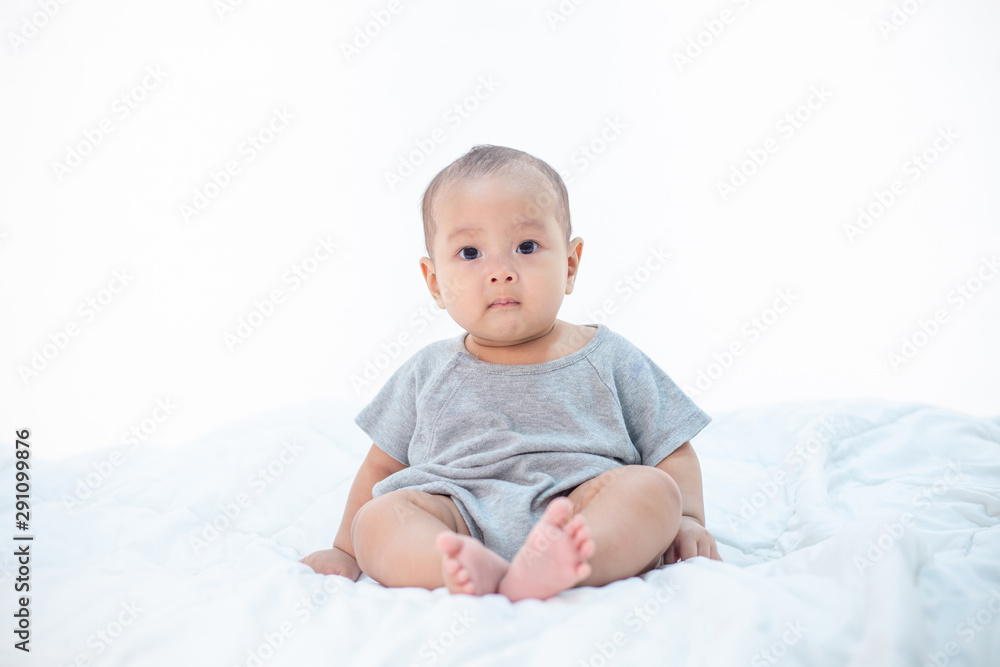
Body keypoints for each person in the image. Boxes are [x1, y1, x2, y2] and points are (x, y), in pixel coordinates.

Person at [301, 145, 721, 601]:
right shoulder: (427, 371)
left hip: (581, 505)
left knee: (652, 489)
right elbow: (381, 465)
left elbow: (672, 448)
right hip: (455, 509)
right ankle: (454, 565)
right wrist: (346, 548)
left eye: (526, 247)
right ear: (435, 282)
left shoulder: (610, 357)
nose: (500, 271)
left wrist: (687, 520)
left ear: (570, 264)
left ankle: (568, 562)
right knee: (381, 518)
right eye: (469, 252)